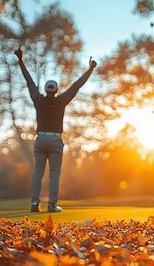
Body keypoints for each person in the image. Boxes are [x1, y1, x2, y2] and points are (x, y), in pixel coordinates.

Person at [15, 47, 97, 213]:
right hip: (55, 140)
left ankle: (34, 204)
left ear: (46, 90)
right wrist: (90, 69)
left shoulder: (38, 99)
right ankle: (52, 205)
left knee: (38, 172)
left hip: (41, 140)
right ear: (56, 90)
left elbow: (28, 80)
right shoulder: (61, 101)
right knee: (54, 174)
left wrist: (20, 60)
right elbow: (76, 86)